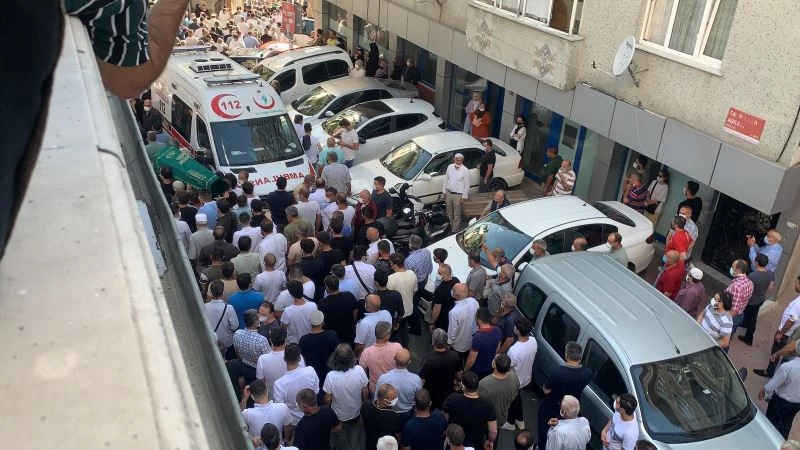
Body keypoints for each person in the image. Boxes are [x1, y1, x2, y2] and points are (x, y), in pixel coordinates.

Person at [537, 341, 592, 450]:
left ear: (566, 355)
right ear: (580, 356)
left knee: (545, 432)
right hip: (571, 409)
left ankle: (542, 446)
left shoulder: (558, 372)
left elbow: (546, 390)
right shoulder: (587, 373)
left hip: (552, 408)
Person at [323, 344, 369, 450]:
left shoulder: (331, 376)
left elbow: (327, 398)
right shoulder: (359, 370)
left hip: (338, 414)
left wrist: (328, 412)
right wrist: (363, 406)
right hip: (356, 411)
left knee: (341, 437)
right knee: (355, 433)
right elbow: (365, 390)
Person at [754, 277, 800, 378]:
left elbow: (791, 320)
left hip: (785, 333)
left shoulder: (798, 303)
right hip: (788, 332)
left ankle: (769, 371)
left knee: (776, 351)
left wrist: (781, 333)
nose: (795, 285)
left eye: (797, 282)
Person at [442, 372, 498, 449]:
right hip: (476, 444)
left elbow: (444, 419)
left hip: (454, 442)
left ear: (463, 385)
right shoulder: (487, 405)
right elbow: (493, 430)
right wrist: (490, 441)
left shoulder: (452, 399)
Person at [759, 339, 800, 439]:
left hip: (781, 401)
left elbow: (772, 385)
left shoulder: (788, 367)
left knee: (771, 422)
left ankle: (768, 441)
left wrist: (763, 391)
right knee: (787, 422)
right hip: (797, 403)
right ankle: (781, 442)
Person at [273, 343, 320, 426]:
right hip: (314, 415)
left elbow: (280, 408)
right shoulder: (310, 371)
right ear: (299, 359)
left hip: (295, 421)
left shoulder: (279, 384)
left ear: (284, 359)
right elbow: (316, 390)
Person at [505, 317, 537, 430]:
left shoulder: (513, 351)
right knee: (517, 398)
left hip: (515, 380)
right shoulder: (533, 341)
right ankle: (520, 420)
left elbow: (508, 368)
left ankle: (510, 422)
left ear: (518, 331)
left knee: (514, 400)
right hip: (526, 377)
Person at [478, 353, 520, 441]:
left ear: (494, 365)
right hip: (502, 416)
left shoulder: (484, 384)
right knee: (495, 435)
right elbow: (515, 395)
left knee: (482, 435)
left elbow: (478, 403)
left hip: (486, 418)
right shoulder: (514, 378)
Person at [299, 310, 340, 396]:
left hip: (313, 375)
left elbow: (302, 359)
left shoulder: (304, 340)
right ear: (323, 322)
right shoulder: (332, 335)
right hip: (330, 372)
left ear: (310, 322)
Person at [240, 380, 293, 446]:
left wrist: (245, 398)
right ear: (266, 391)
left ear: (252, 396)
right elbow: (288, 430)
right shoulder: (282, 407)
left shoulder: (247, 414)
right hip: (278, 446)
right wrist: (288, 441)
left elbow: (238, 417)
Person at [376, 349, 422, 419]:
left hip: (388, 411)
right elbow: (418, 398)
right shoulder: (416, 379)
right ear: (409, 362)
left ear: (394, 359)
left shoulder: (383, 378)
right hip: (407, 412)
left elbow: (377, 398)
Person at [739, 254, 774, 345]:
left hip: (751, 300)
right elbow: (770, 286)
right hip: (760, 299)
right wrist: (762, 292)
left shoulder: (752, 275)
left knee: (751, 319)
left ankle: (748, 338)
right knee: (752, 316)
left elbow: (747, 288)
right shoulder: (770, 273)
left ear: (757, 263)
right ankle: (745, 326)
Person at [359, 321, 403, 394]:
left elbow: (363, 374)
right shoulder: (397, 347)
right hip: (394, 388)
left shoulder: (366, 352)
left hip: (375, 389)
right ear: (386, 336)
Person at [318, 275, 359, 345]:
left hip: (333, 337)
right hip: (348, 332)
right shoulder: (349, 295)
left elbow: (322, 321)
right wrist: (353, 322)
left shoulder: (322, 303)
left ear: (327, 287)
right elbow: (355, 310)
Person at [387, 253, 418, 347]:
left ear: (395, 265)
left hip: (397, 313)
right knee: (404, 328)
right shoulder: (412, 274)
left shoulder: (391, 278)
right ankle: (405, 346)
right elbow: (414, 291)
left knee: (395, 332)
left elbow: (390, 297)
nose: (390, 266)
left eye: (390, 264)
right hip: (408, 309)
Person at [233, 309, 271, 384]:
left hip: (244, 368)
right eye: (258, 318)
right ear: (255, 323)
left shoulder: (237, 334)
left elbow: (237, 352)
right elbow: (268, 360)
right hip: (258, 372)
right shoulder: (261, 340)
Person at [464, 308, 504, 378]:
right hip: (490, 368)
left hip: (477, 371)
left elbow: (471, 359)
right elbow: (497, 349)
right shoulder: (498, 330)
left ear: (478, 319)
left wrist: (464, 371)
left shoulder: (478, 337)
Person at [361, 383, 403, 449]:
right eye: (393, 398)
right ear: (384, 400)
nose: (395, 399)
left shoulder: (365, 404)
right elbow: (398, 435)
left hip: (370, 441)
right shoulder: (394, 416)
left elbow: (362, 422)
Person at [405, 234, 432, 335]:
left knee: (413, 305)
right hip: (424, 280)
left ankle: (416, 328)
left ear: (410, 245)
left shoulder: (408, 260)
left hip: (415, 284)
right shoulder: (426, 252)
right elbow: (430, 267)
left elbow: (408, 277)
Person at [205, 280, 239, 360]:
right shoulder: (229, 308)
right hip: (227, 342)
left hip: (211, 341)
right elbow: (235, 326)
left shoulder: (204, 306)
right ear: (223, 292)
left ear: (211, 293)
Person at [448, 284, 480, 360]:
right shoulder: (474, 301)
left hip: (458, 345)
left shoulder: (454, 312)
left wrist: (448, 343)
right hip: (472, 341)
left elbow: (452, 332)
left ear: (455, 295)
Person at [281, 280, 319, 344]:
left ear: (291, 294)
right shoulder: (313, 306)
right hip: (311, 340)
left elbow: (284, 329)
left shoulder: (287, 311)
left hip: (295, 344)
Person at [374, 270, 405, 342]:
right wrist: (396, 323)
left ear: (376, 283)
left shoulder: (372, 297)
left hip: (376, 328)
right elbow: (401, 314)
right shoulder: (396, 294)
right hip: (390, 327)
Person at [442, 153, 470, 231]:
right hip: (448, 193)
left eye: (460, 160)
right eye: (457, 160)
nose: (458, 162)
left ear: (462, 161)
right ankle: (451, 226)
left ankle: (454, 230)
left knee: (457, 214)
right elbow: (446, 179)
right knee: (449, 212)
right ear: (454, 159)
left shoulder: (465, 170)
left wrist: (464, 197)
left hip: (458, 195)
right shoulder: (450, 167)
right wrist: (444, 191)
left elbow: (467, 185)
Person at [430, 264, 459, 332]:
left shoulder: (440, 289)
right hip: (452, 315)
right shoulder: (456, 280)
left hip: (442, 318)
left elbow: (437, 309)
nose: (437, 274)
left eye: (439, 273)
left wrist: (432, 322)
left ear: (446, 275)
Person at [726, 258, 754, 330]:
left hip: (731, 317)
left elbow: (733, 310)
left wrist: (724, 321)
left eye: (733, 267)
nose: (731, 269)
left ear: (738, 270)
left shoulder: (736, 287)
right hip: (740, 314)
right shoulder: (750, 283)